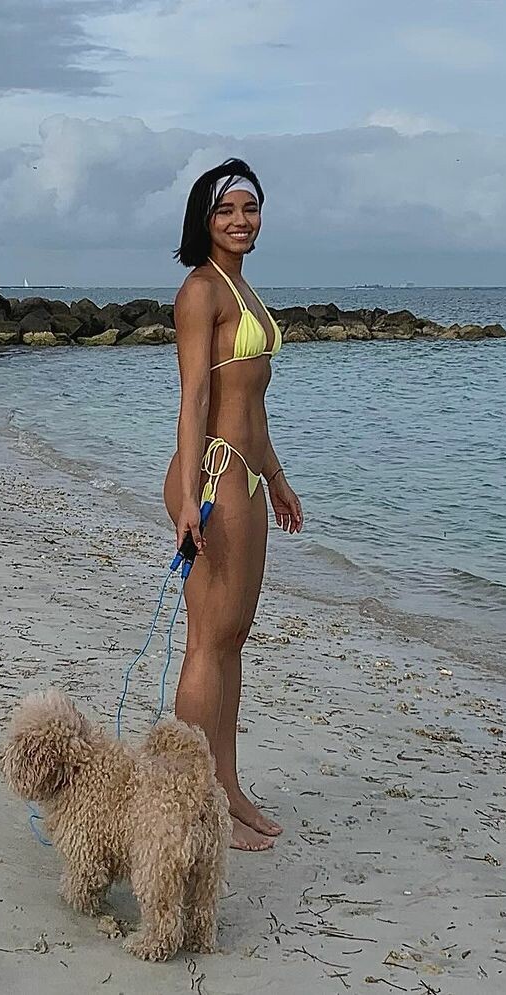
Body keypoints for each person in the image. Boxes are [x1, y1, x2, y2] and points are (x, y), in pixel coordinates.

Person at [163, 158, 303, 851]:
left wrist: (276, 476)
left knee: (233, 639)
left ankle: (227, 787)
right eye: (227, 210)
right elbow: (194, 400)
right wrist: (190, 496)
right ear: (205, 218)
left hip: (246, 474)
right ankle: (192, 805)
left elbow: (251, 402)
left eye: (250, 208)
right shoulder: (200, 291)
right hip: (213, 475)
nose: (242, 220)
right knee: (206, 641)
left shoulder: (240, 287)